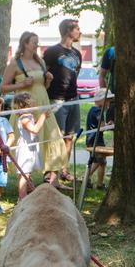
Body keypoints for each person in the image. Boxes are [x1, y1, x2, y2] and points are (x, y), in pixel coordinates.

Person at [0, 31, 70, 189]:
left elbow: (43, 86)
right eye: (34, 42)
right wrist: (21, 85)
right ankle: (26, 180)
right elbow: (2, 87)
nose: (36, 44)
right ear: (25, 43)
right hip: (24, 106)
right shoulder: (15, 63)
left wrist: (48, 81)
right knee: (26, 141)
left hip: (42, 102)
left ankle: (53, 181)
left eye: (37, 42)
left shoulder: (40, 62)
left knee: (53, 137)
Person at [43, 19, 82, 179]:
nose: (80, 32)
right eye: (77, 29)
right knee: (55, 137)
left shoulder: (77, 53)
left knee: (69, 137)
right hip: (56, 99)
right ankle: (51, 173)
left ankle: (64, 170)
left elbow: (75, 73)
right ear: (68, 31)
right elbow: (44, 71)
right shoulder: (52, 51)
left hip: (73, 99)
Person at [10, 92, 47, 199]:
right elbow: (35, 129)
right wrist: (42, 117)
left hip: (30, 147)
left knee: (26, 173)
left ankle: (26, 192)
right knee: (24, 174)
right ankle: (22, 197)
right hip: (25, 149)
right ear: (26, 105)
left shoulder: (28, 116)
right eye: (32, 102)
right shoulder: (25, 119)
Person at [85, 88, 114, 189]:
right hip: (95, 140)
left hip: (92, 139)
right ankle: (85, 178)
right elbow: (101, 127)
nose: (108, 103)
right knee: (98, 161)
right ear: (100, 100)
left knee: (102, 162)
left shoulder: (93, 110)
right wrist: (111, 126)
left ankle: (100, 184)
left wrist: (107, 124)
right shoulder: (98, 112)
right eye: (107, 100)